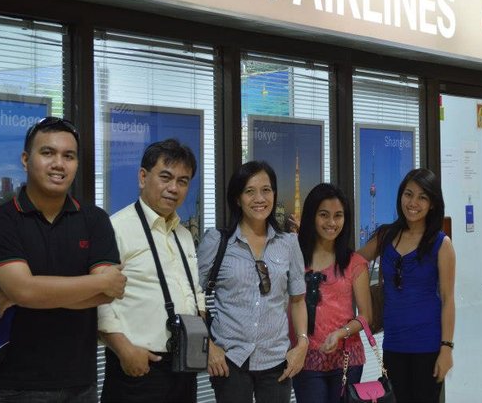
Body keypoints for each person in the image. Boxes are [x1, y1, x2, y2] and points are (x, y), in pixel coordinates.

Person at [0, 116, 126, 403]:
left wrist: (25, 295)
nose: (59, 163)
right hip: (15, 386)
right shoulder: (0, 222)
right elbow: (25, 289)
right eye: (48, 153)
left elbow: (109, 292)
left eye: (68, 156)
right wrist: (25, 293)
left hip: (81, 385)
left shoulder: (94, 220)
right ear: (25, 159)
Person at [98, 138, 205, 403]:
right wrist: (124, 351)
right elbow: (98, 300)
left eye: (183, 181)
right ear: (143, 177)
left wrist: (199, 321)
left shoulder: (183, 233)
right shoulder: (116, 228)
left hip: (183, 364)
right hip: (138, 365)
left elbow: (194, 287)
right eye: (165, 177)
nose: (173, 188)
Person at [197, 161, 308, 403]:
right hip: (229, 361)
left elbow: (298, 300)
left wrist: (302, 344)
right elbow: (192, 297)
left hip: (277, 361)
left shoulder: (288, 243)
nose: (260, 198)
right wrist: (208, 347)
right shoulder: (217, 241)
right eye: (250, 191)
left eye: (266, 190)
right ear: (237, 198)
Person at [358, 168, 456, 403]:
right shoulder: (385, 236)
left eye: (422, 197)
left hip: (429, 348)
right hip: (393, 344)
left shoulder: (441, 245)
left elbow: (447, 299)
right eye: (408, 194)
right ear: (400, 196)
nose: (413, 203)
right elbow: (355, 263)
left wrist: (447, 349)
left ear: (432, 204)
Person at [292, 183, 371, 403]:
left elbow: (365, 316)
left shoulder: (355, 263)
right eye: (324, 215)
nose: (332, 223)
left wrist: (341, 333)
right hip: (305, 358)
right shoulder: (295, 259)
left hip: (347, 359)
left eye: (338, 216)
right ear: (311, 217)